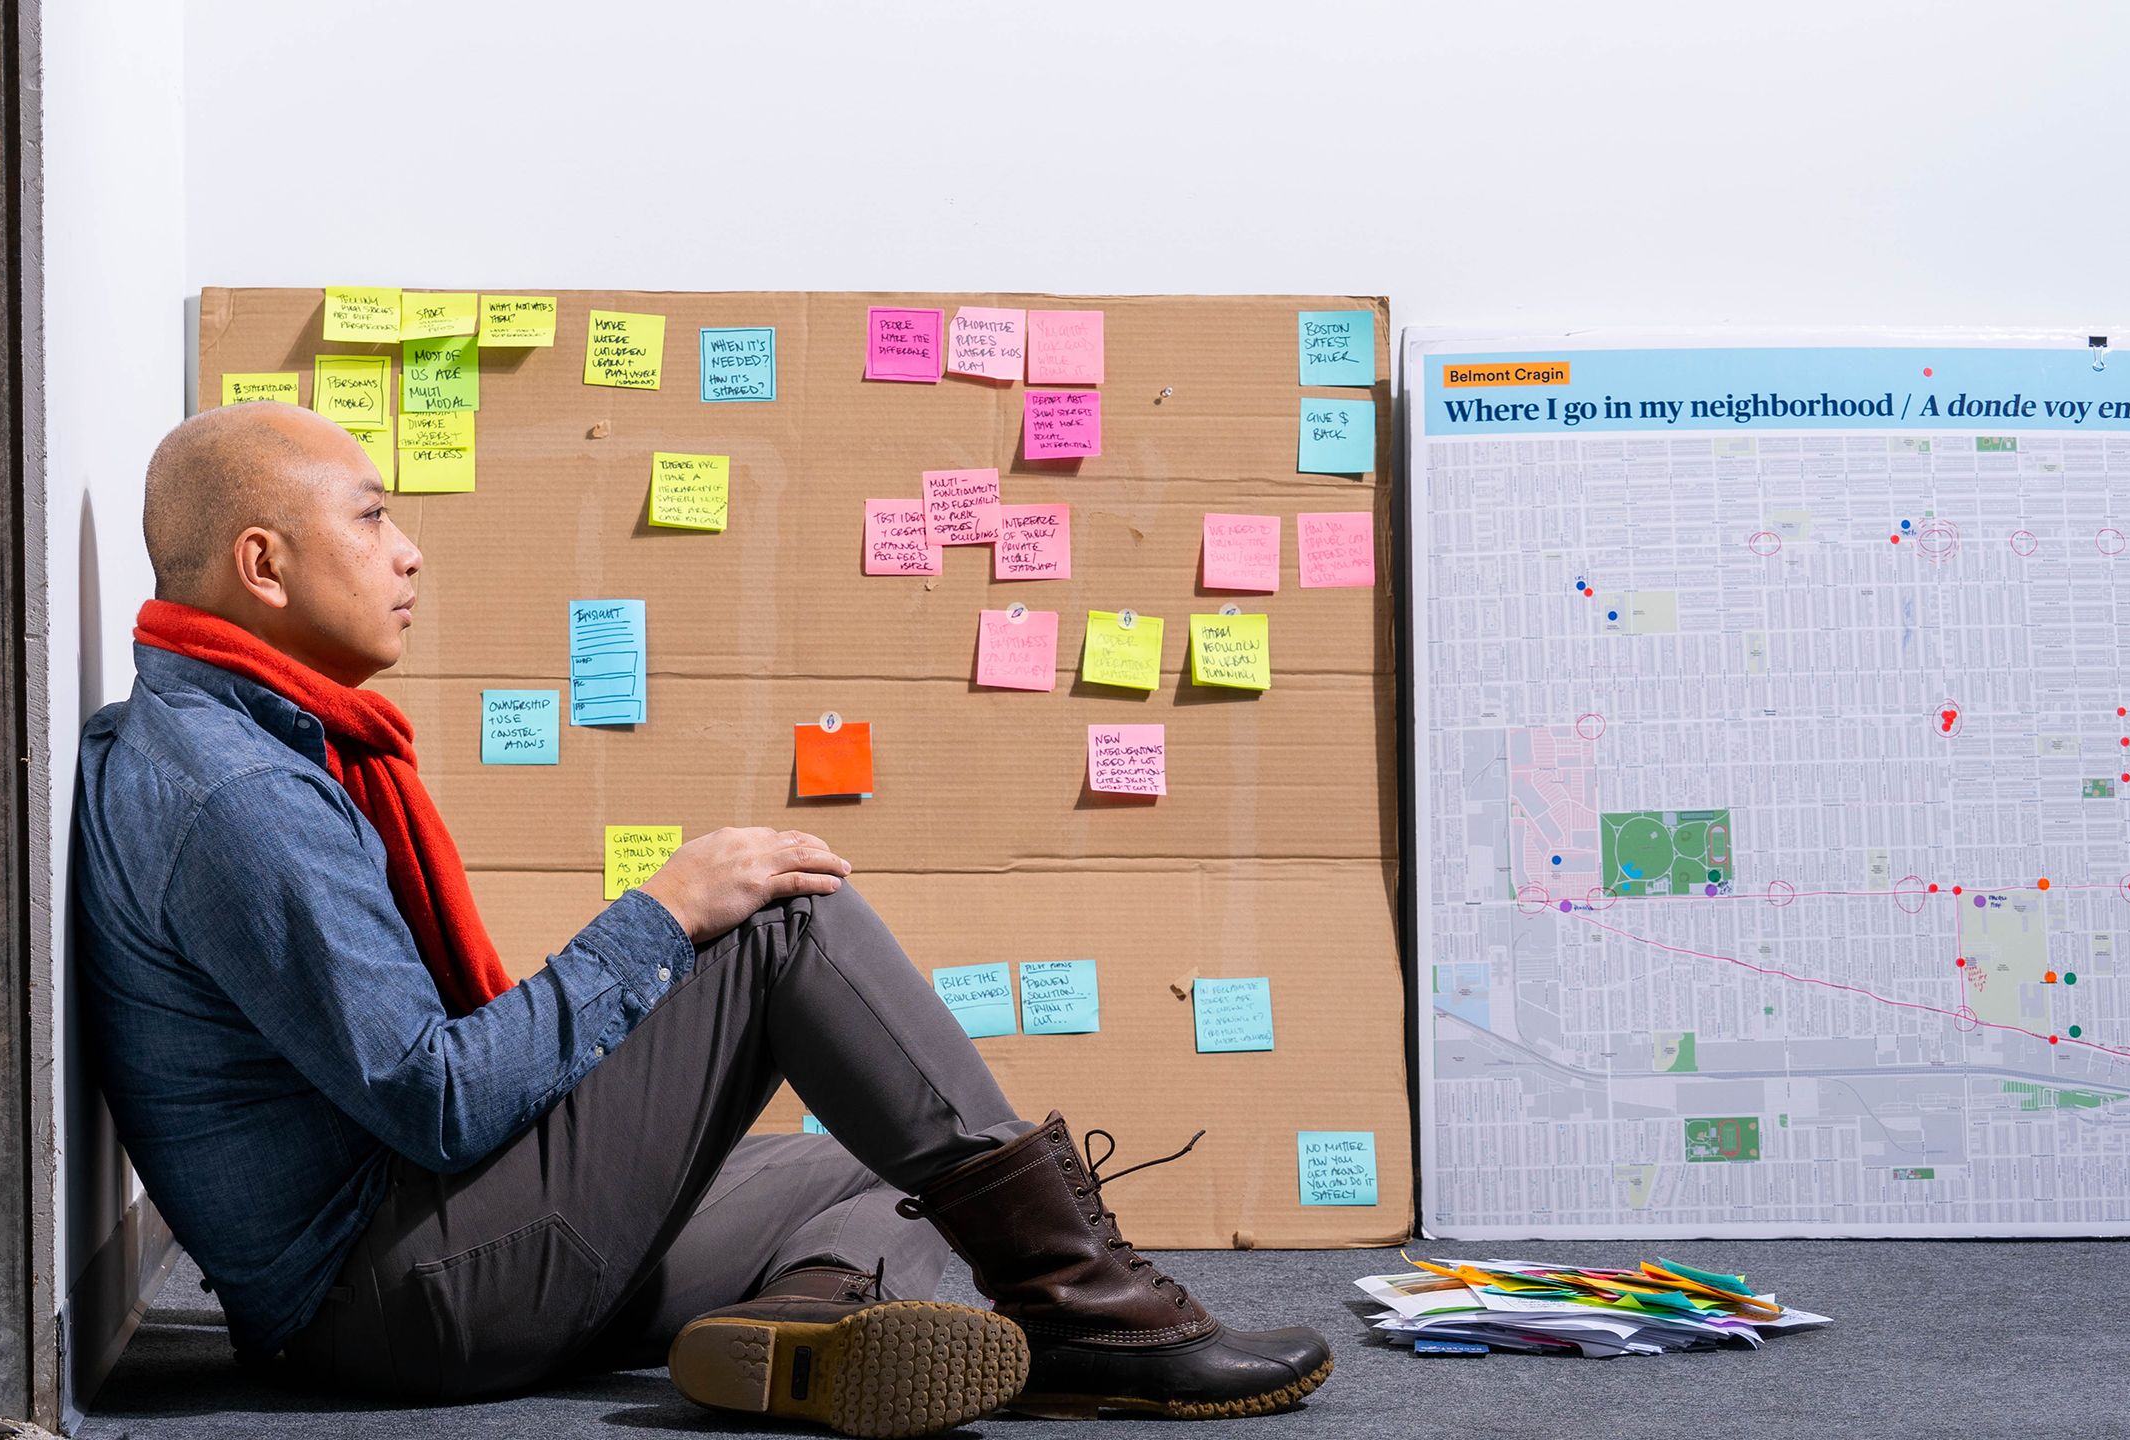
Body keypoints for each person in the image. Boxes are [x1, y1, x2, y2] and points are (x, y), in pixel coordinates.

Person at [71, 402, 1332, 1434]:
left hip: (404, 1257)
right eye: (373, 515)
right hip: (385, 1302)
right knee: (777, 917)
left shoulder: (224, 738)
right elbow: (436, 1099)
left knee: (882, 1162)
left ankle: (804, 1335)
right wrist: (664, 914)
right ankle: (1090, 1314)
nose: (409, 551)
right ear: (262, 563)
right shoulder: (243, 797)